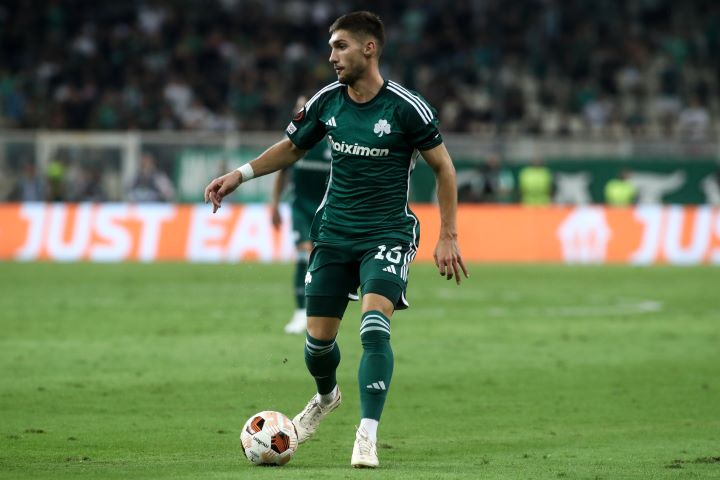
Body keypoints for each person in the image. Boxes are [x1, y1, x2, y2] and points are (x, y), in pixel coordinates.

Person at [204, 11, 468, 468]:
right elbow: (292, 147)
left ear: (369, 48)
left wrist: (448, 234)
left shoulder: (406, 107)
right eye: (331, 47)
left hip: (387, 233)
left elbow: (444, 167)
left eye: (340, 46)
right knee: (317, 346)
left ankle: (367, 434)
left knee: (373, 327)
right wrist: (239, 175)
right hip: (333, 233)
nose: (332, 57)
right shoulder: (327, 101)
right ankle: (326, 397)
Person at [270, 95, 332, 334]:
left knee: (321, 261)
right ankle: (300, 312)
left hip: (326, 209)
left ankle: (317, 312)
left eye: (303, 109)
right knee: (303, 255)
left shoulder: (332, 141)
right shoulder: (292, 141)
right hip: (300, 207)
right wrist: (275, 204)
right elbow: (281, 172)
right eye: (297, 109)